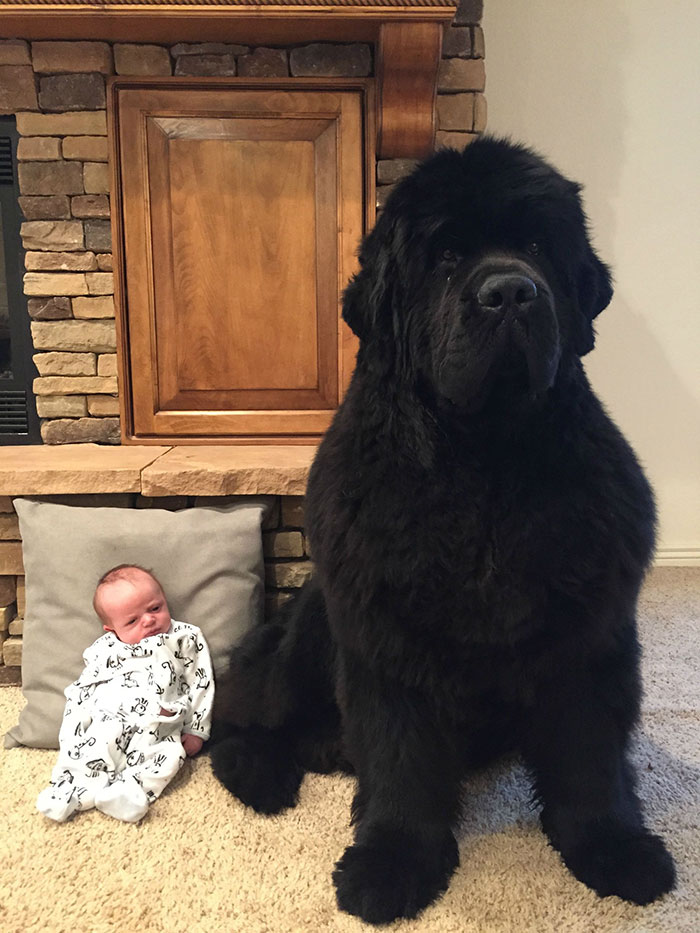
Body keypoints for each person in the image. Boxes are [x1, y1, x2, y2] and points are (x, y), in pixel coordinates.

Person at [36, 564, 214, 823]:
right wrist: (79, 717)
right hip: (111, 715)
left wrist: (196, 729)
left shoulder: (185, 637)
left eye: (155, 608)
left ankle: (129, 792)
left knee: (170, 756)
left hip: (161, 721)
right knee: (91, 748)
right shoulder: (105, 649)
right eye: (132, 621)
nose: (149, 620)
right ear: (112, 630)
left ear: (164, 600)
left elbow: (201, 681)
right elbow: (87, 684)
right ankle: (70, 791)